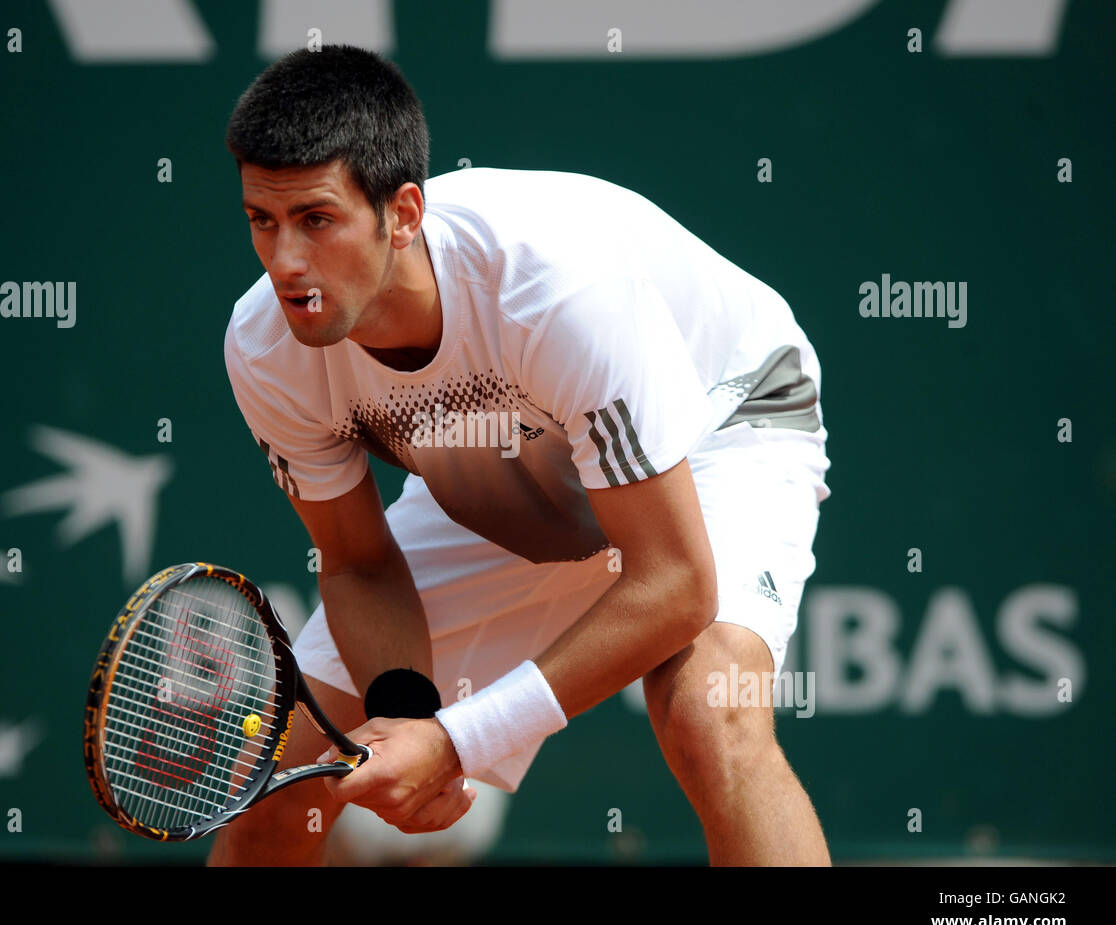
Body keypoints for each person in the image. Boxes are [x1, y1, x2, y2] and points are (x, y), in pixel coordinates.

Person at [213, 44, 833, 866]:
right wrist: (406, 716)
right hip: (508, 463)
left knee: (707, 715)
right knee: (282, 781)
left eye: (317, 220)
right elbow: (359, 562)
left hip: (721, 418)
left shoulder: (552, 290)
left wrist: (457, 740)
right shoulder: (265, 347)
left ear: (402, 214)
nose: (286, 264)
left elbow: (675, 584)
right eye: (264, 220)